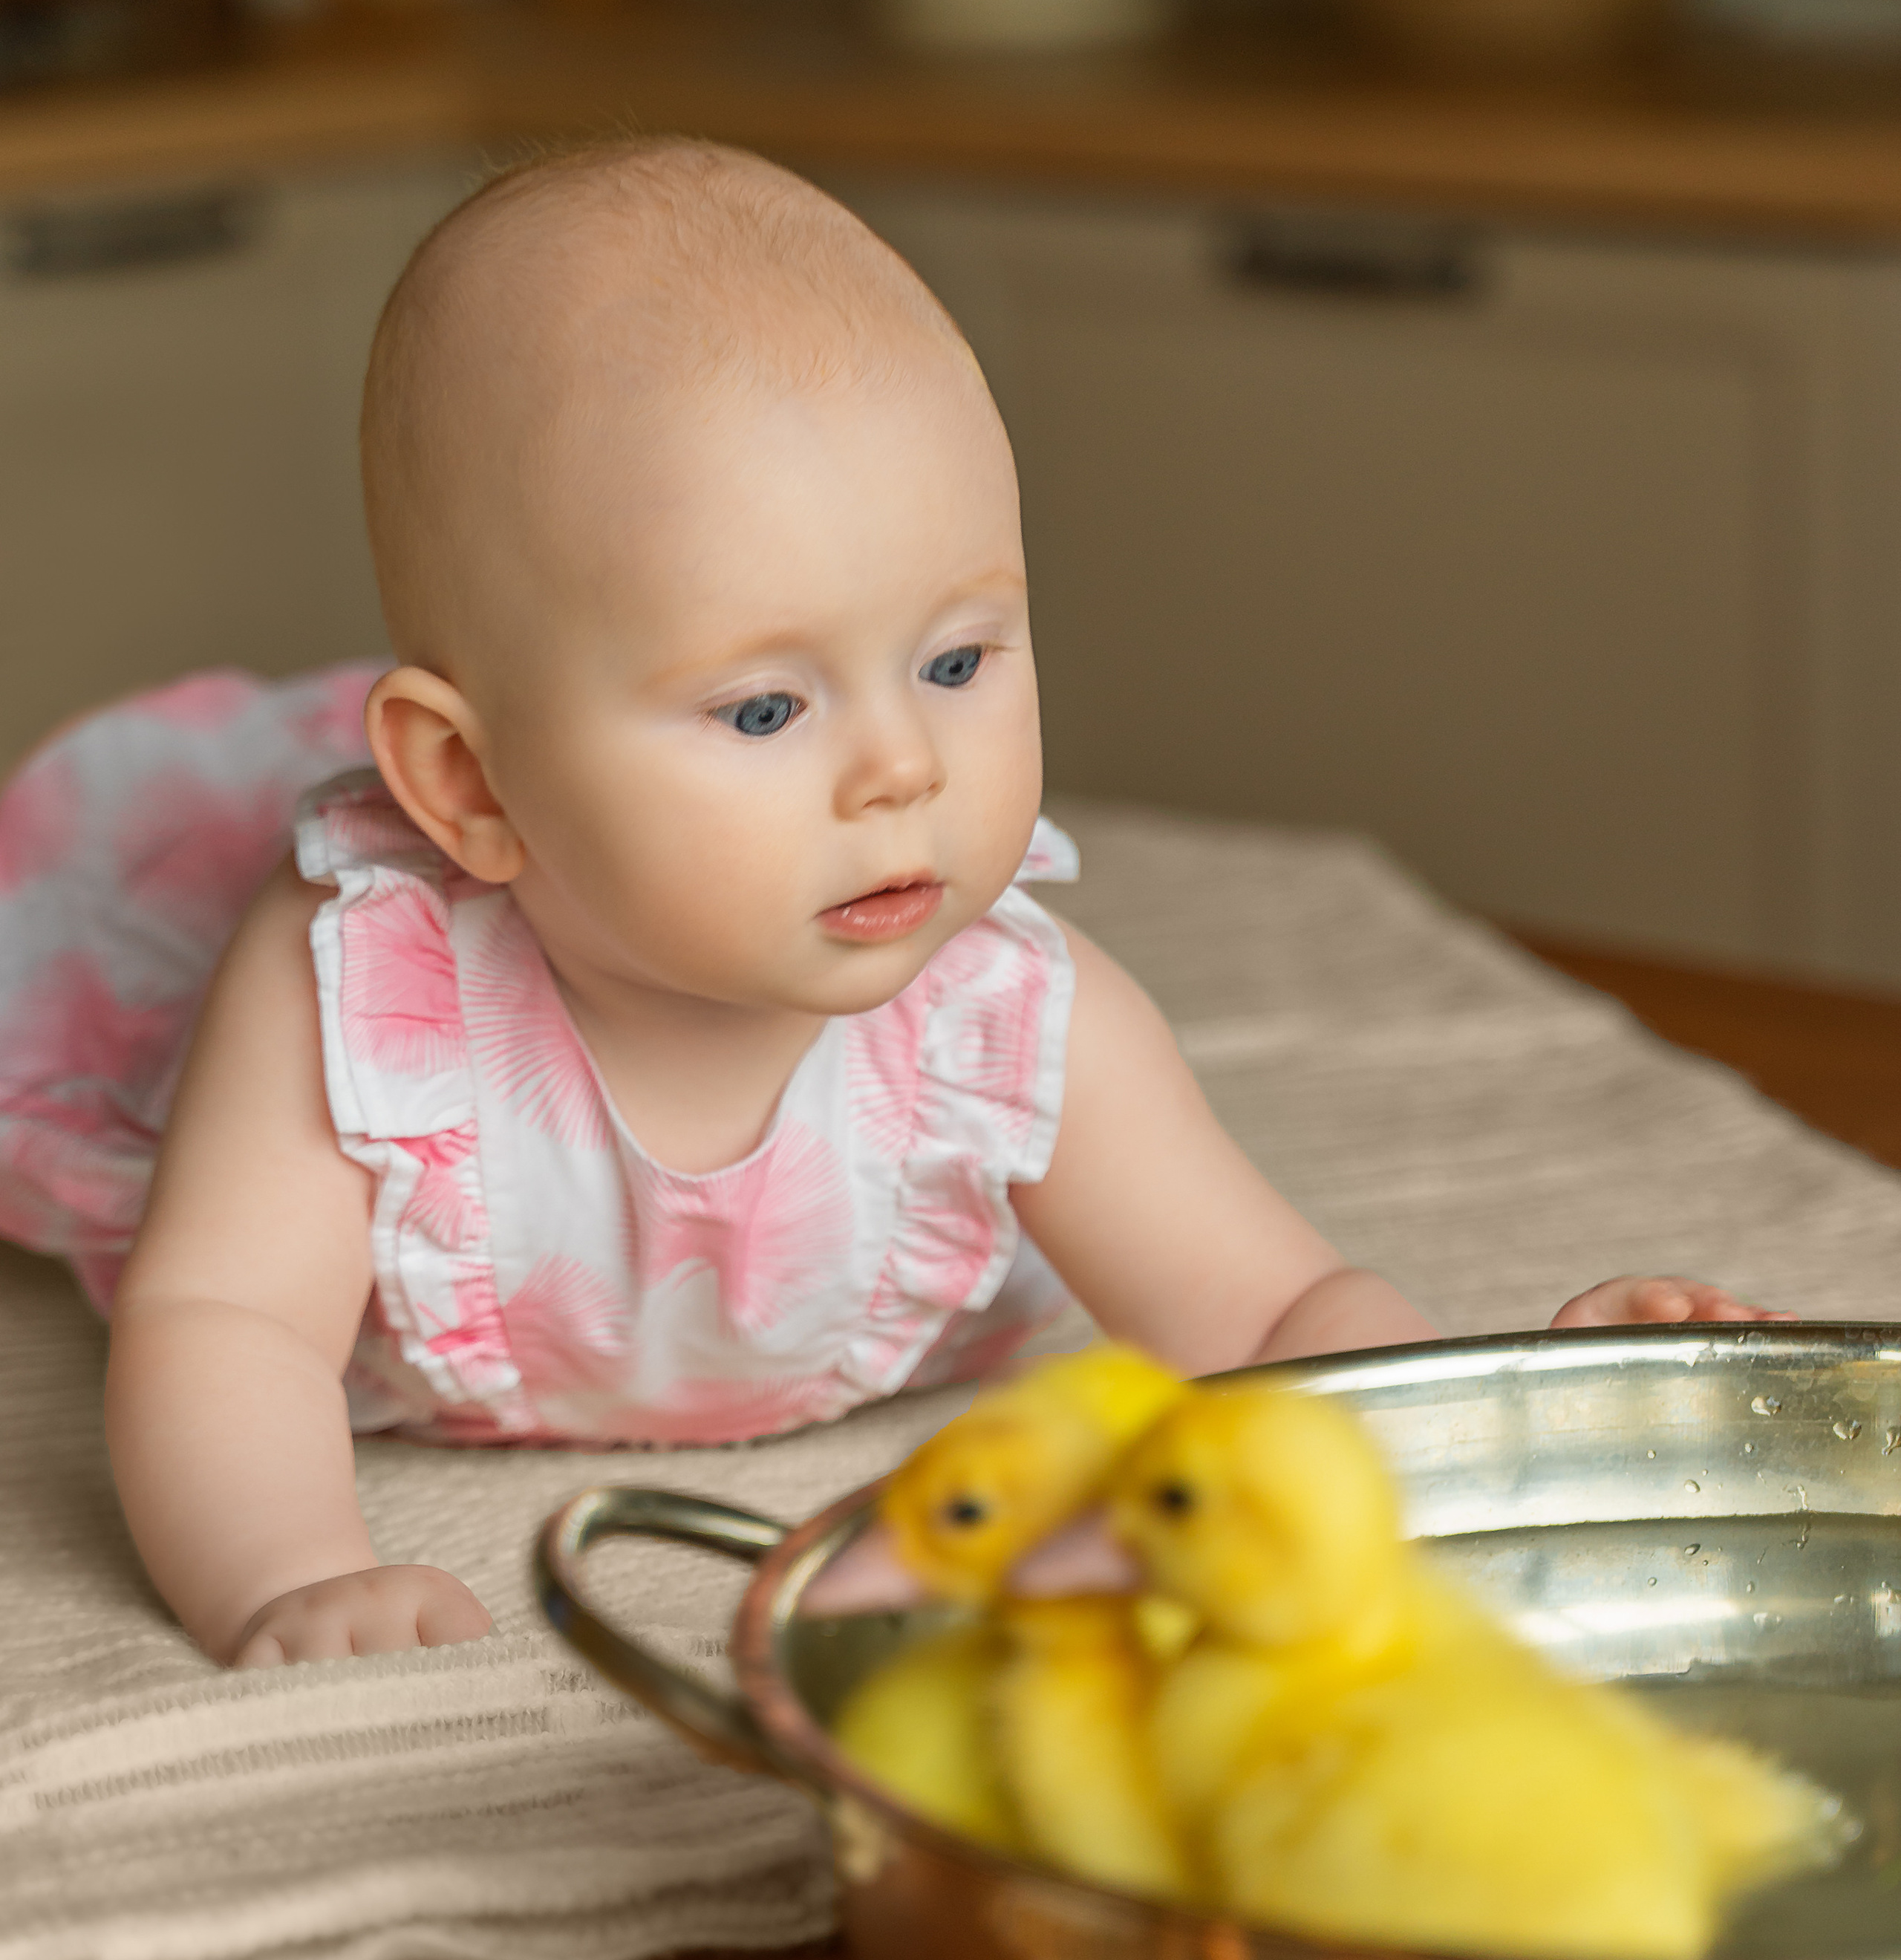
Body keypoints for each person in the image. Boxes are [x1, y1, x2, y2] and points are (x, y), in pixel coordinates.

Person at [0, 142, 1762, 1670]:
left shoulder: (1007, 1021)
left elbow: (1270, 1319)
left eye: (955, 660)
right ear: (468, 787)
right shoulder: (359, 1002)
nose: (901, 768)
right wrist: (290, 1573)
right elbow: (224, 1328)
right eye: (767, 709)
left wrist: (1516, 1422)